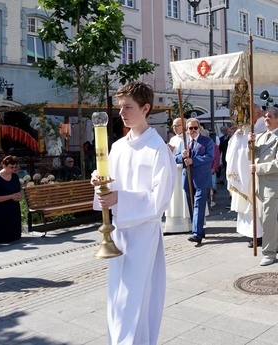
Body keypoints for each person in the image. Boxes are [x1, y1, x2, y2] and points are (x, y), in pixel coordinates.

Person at [91, 81, 176, 345]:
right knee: (117, 298)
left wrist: (121, 198)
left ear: (146, 108)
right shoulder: (117, 147)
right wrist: (101, 182)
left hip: (142, 233)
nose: (122, 113)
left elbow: (159, 199)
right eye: (120, 107)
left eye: (128, 107)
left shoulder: (157, 149)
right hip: (119, 232)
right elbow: (112, 184)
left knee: (137, 297)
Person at [248, 106, 278, 266]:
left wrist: (258, 168)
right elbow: (250, 155)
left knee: (267, 219)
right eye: (265, 116)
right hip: (259, 184)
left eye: (270, 116)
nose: (266, 119)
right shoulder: (261, 136)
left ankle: (269, 252)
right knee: (267, 218)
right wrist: (250, 144)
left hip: (272, 185)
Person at [226, 105, 265, 248]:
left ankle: (259, 235)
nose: (245, 118)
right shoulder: (241, 133)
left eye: (249, 114)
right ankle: (253, 234)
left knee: (257, 206)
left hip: (254, 174)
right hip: (241, 175)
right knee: (249, 207)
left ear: (257, 114)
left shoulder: (260, 129)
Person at [174, 118, 214, 244]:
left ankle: (197, 234)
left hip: (202, 178)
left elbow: (209, 157)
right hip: (188, 178)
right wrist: (182, 156)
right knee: (191, 205)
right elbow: (176, 158)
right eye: (190, 128)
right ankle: (198, 229)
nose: (193, 130)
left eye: (195, 128)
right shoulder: (183, 143)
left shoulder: (206, 141)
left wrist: (193, 160)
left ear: (199, 128)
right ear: (186, 130)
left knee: (198, 204)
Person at [164, 117, 191, 233]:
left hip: (182, 172)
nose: (174, 128)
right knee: (173, 200)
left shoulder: (187, 138)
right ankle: (173, 226)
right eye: (173, 126)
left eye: (177, 125)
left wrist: (174, 151)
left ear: (184, 126)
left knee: (182, 198)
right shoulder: (173, 139)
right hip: (173, 172)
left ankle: (186, 225)